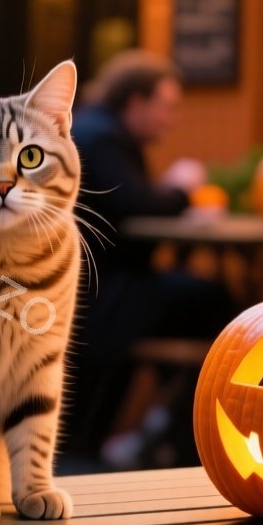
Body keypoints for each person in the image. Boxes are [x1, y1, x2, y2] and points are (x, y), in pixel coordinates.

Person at [67, 50, 235, 466]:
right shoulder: (101, 139)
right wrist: (182, 189)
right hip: (102, 294)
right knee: (217, 304)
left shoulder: (98, 131)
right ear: (136, 103)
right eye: (167, 107)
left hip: (102, 285)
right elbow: (138, 203)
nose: (171, 119)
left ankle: (164, 427)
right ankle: (176, 433)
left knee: (202, 299)